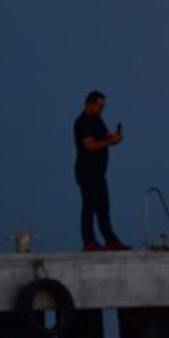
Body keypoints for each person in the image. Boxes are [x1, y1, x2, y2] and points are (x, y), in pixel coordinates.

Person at [74, 90, 131, 251]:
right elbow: (90, 145)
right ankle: (89, 241)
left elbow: (104, 137)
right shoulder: (82, 122)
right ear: (90, 104)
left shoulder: (97, 120)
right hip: (86, 172)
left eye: (103, 107)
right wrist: (109, 142)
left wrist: (114, 137)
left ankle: (111, 240)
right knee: (89, 206)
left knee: (103, 207)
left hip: (99, 172)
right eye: (99, 106)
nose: (101, 110)